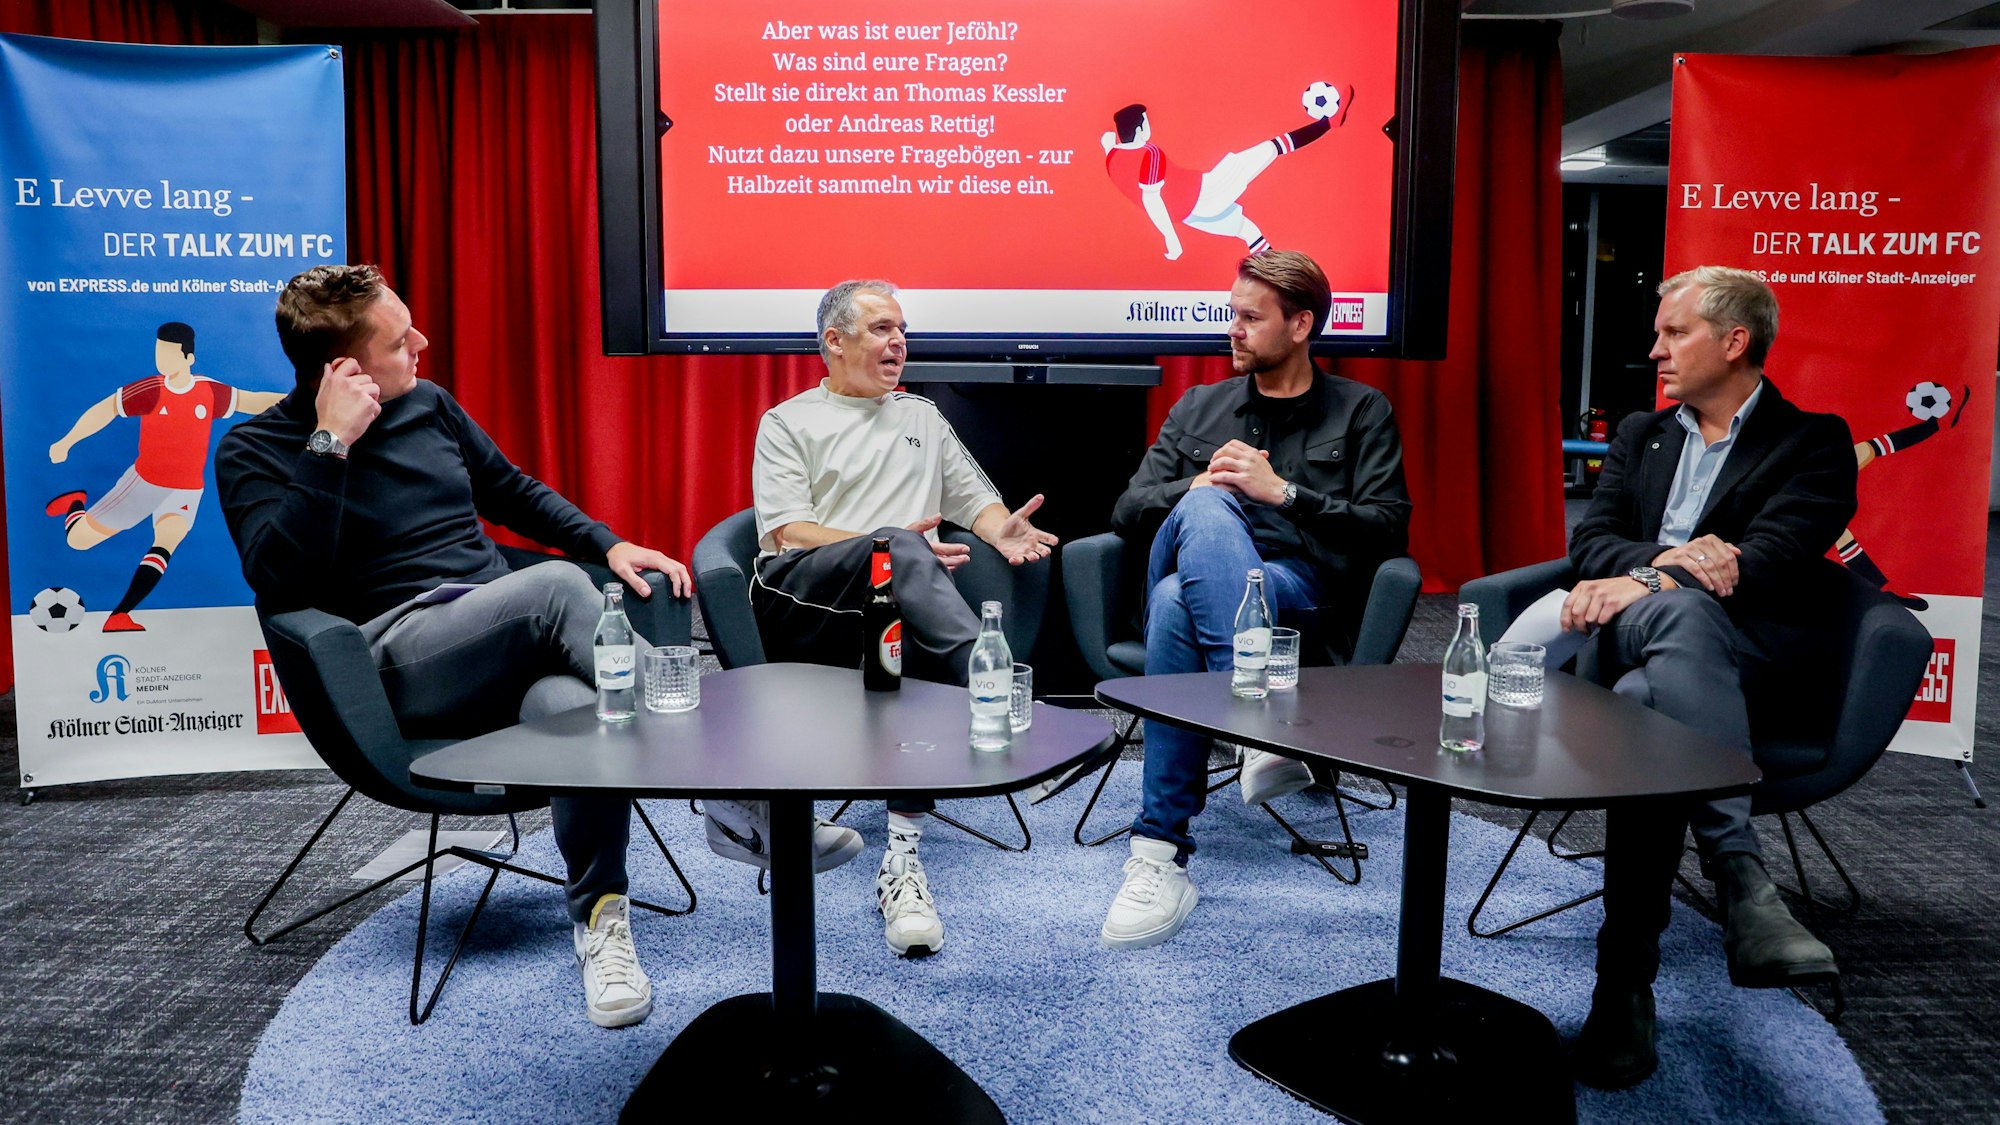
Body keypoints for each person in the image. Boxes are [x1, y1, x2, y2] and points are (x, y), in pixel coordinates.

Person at [216, 264, 746, 1030]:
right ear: (348, 370)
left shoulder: (428, 406)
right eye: (402, 341)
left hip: (504, 637)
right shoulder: (257, 450)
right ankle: (732, 785)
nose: (424, 343)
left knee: (571, 707)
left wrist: (611, 541)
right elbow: (280, 580)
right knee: (562, 589)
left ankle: (599, 921)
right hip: (397, 661)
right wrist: (330, 442)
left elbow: (512, 490)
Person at [1560, 265, 1855, 1088]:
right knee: (1676, 623)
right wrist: (1666, 567)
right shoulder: (1639, 435)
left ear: (1735, 341)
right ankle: (1739, 878)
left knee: (1645, 706)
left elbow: (1773, 561)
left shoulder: (1815, 442)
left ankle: (1621, 984)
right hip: (1621, 636)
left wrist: (1651, 579)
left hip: (1738, 668)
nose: (1654, 349)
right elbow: (1591, 547)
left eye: (1673, 332)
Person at [1097, 251, 1411, 950]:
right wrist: (1200, 485)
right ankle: (1259, 731)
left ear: (1301, 325)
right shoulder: (1200, 405)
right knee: (1207, 514)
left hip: (1300, 589)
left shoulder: (1362, 410)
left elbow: (1388, 526)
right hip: (1198, 565)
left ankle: (1157, 855)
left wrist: (1284, 493)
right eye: (1230, 314)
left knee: (1183, 600)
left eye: (1249, 317)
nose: (1231, 329)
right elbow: (1127, 508)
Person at [747, 278, 1058, 957]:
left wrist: (1001, 530)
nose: (898, 343)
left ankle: (904, 858)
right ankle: (991, 681)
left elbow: (976, 500)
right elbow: (787, 533)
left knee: (904, 619)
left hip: (898, 597)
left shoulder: (920, 416)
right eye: (881, 328)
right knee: (902, 552)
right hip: (805, 599)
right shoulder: (788, 421)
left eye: (902, 329)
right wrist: (886, 541)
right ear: (834, 342)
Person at [46, 321, 285, 632]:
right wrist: (67, 441)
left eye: (169, 354)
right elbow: (105, 409)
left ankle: (120, 615)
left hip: (187, 490)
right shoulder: (152, 390)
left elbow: (251, 400)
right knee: (78, 541)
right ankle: (75, 503)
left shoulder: (208, 391)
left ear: (188, 359)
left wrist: (305, 398)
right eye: (159, 353)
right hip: (144, 484)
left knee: (166, 542)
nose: (161, 360)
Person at [1101, 90, 1353, 261]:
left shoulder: (1112, 157)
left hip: (1188, 215)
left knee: (1248, 231)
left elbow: (1108, 140)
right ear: (1140, 128)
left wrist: (1112, 140)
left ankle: (1276, 285)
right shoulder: (1150, 154)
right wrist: (1171, 239)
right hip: (1206, 192)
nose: (1149, 126)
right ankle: (1328, 124)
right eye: (1146, 122)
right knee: (1269, 149)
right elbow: (1151, 200)